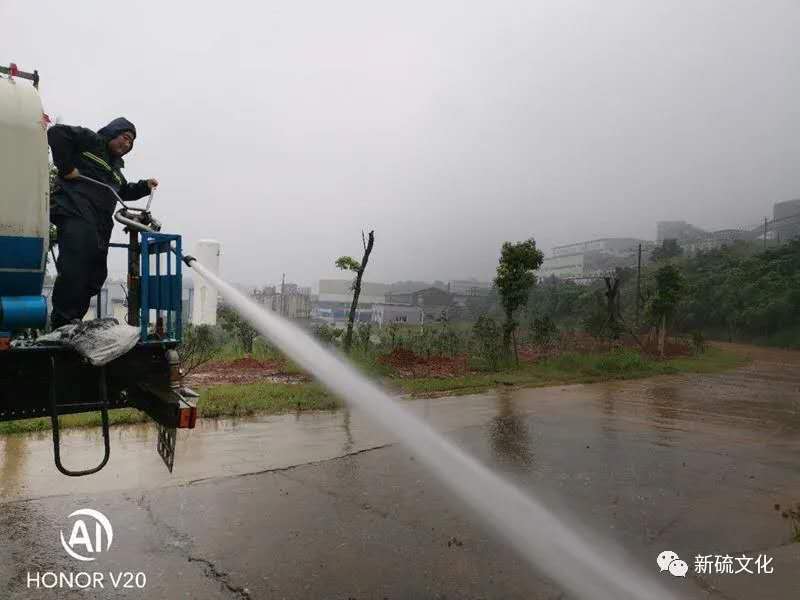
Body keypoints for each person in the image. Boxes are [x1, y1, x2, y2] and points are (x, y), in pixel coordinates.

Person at [47, 117, 158, 329]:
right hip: (75, 210)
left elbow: (123, 191)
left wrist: (144, 186)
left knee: (95, 273)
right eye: (125, 138)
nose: (126, 144)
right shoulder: (91, 141)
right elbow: (56, 133)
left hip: (100, 222)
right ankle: (62, 322)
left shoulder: (115, 170)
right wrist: (67, 167)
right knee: (76, 265)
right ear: (112, 132)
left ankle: (74, 320)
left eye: (130, 143)